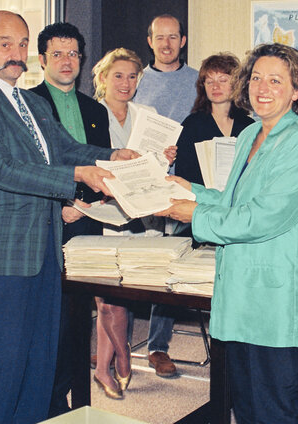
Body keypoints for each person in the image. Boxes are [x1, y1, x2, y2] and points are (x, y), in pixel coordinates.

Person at [0, 10, 136, 423]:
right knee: (0, 363)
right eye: (5, 43)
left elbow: (66, 148)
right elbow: (0, 169)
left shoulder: (31, 101)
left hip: (46, 249)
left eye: (21, 44)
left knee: (38, 361)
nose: (16, 54)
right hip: (3, 254)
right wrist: (75, 175)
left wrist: (112, 156)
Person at [158, 43, 298, 423]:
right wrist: (190, 190)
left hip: (274, 302)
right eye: (255, 78)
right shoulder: (251, 133)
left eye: (275, 80)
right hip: (239, 295)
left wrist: (195, 212)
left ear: (297, 91)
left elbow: (263, 218)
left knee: (275, 409)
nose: (262, 88)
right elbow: (234, 200)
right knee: (247, 407)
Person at [30, 22, 112, 417]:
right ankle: (49, 400)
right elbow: (30, 167)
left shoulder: (96, 109)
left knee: (81, 318)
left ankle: (78, 400)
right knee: (53, 322)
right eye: (58, 54)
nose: (66, 61)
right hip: (50, 221)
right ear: (42, 59)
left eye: (74, 54)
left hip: (89, 221)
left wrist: (92, 201)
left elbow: (100, 160)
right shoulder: (27, 105)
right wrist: (61, 200)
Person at [90, 47, 177, 398]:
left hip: (141, 212)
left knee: (119, 294)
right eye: (118, 76)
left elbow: (157, 168)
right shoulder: (92, 114)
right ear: (103, 79)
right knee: (105, 297)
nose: (125, 83)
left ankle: (103, 367)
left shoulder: (148, 114)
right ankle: (121, 357)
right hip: (103, 210)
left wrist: (165, 157)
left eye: (131, 76)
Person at [132, 13, 199, 376]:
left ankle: (158, 346)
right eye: (160, 37)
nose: (167, 44)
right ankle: (118, 347)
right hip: (141, 183)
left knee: (169, 265)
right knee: (130, 263)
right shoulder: (136, 80)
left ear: (183, 41)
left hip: (180, 187)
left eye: (173, 37)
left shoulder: (197, 82)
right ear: (150, 41)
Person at [174, 52, 254, 239]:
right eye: (209, 81)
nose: (215, 86)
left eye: (222, 80)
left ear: (236, 84)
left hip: (239, 212)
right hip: (202, 210)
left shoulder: (250, 127)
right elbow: (184, 173)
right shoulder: (192, 124)